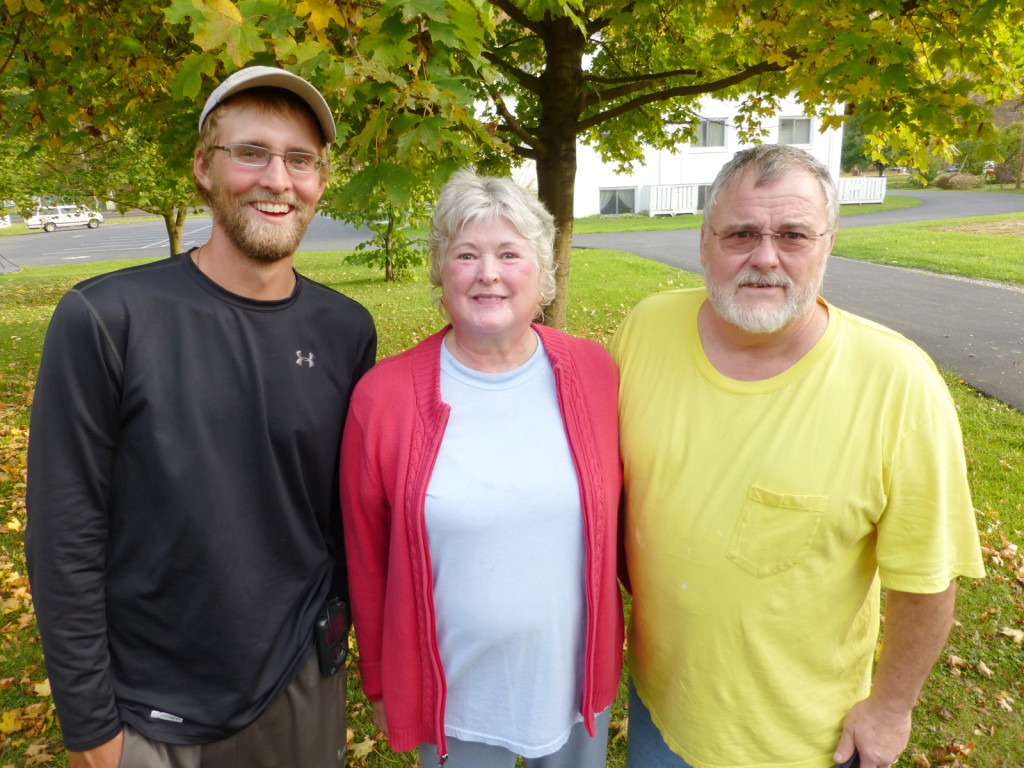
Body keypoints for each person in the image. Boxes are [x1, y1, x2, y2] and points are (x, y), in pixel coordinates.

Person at [25, 66, 377, 768]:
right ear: (203, 169)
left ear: (319, 179)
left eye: (300, 159)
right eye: (251, 152)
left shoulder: (346, 330)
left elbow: (344, 520)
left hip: (299, 688)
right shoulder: (108, 318)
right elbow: (64, 538)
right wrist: (93, 730)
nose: (278, 179)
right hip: (150, 707)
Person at [610, 144, 985, 768]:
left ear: (827, 244)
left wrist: (891, 708)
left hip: (802, 742)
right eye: (741, 233)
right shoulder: (644, 330)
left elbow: (927, 579)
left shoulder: (897, 383)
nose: (764, 256)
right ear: (704, 242)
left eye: (792, 234)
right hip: (660, 712)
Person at [339, 169, 624, 768]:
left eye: (510, 254)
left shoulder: (595, 373)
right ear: (442, 275)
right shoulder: (382, 398)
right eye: (466, 254)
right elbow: (366, 558)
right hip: (455, 702)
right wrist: (380, 682)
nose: (488, 273)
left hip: (573, 689)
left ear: (542, 276)